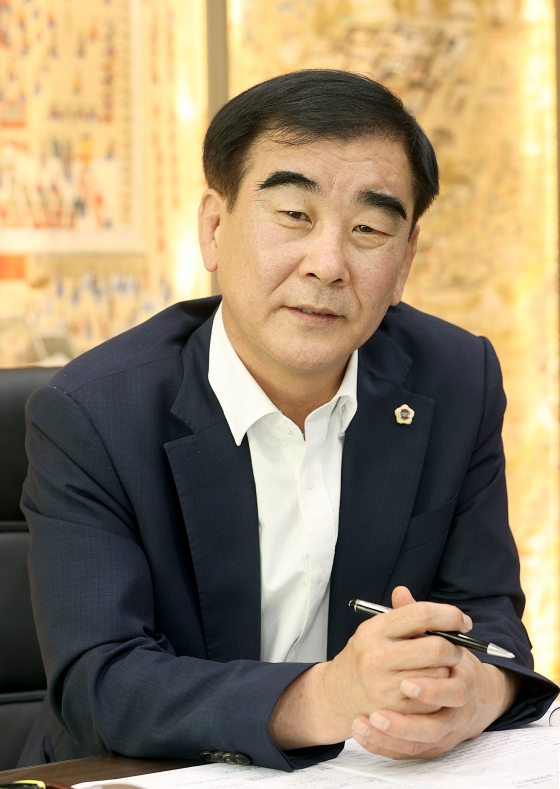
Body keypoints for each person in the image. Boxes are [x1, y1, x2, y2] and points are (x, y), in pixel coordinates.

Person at [20, 70, 557, 770]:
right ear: (215, 228)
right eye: (294, 215)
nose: (327, 265)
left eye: (368, 229)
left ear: (404, 262)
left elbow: (486, 618)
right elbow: (101, 682)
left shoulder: (456, 379)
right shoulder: (94, 412)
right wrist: (326, 697)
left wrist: (475, 690)